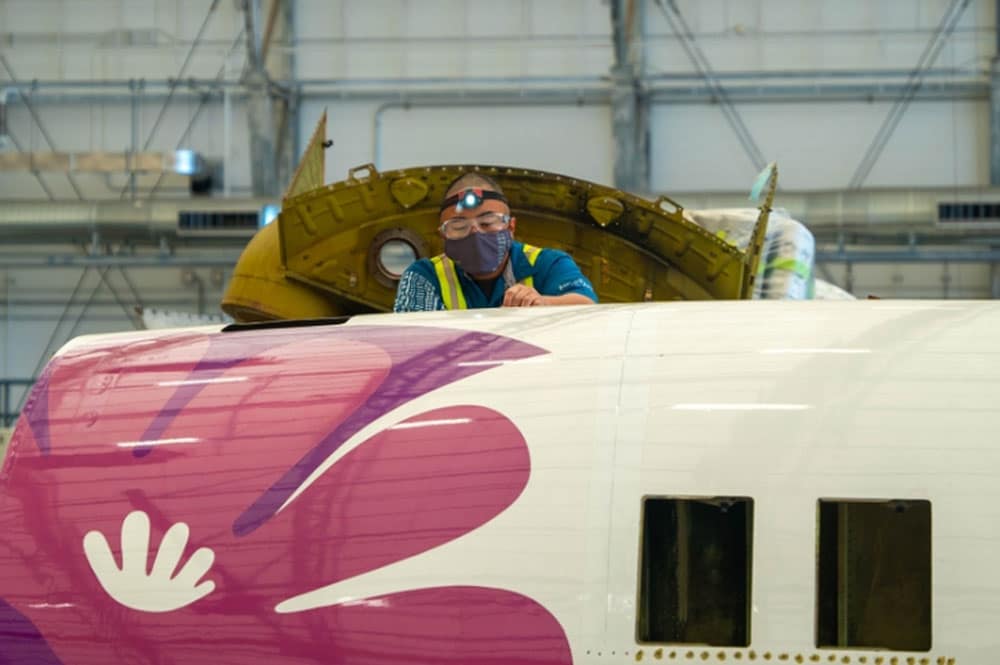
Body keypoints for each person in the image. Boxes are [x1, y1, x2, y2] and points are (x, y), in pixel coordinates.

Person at [393, 172, 598, 312]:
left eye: (488, 222)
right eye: (458, 226)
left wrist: (542, 302)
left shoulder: (547, 263)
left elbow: (586, 305)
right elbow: (414, 336)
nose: (475, 234)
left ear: (511, 227)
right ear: (443, 235)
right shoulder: (423, 277)